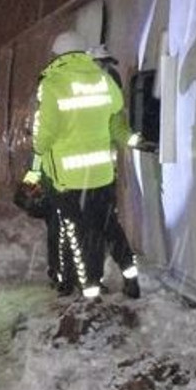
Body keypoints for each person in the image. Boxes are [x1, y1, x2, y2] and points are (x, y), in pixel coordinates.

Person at [24, 31, 145, 299]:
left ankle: (90, 289)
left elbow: (44, 136)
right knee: (109, 226)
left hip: (69, 178)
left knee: (77, 233)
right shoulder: (103, 79)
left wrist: (36, 159)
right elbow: (116, 108)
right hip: (101, 174)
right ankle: (130, 276)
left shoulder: (52, 83)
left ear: (57, 55)